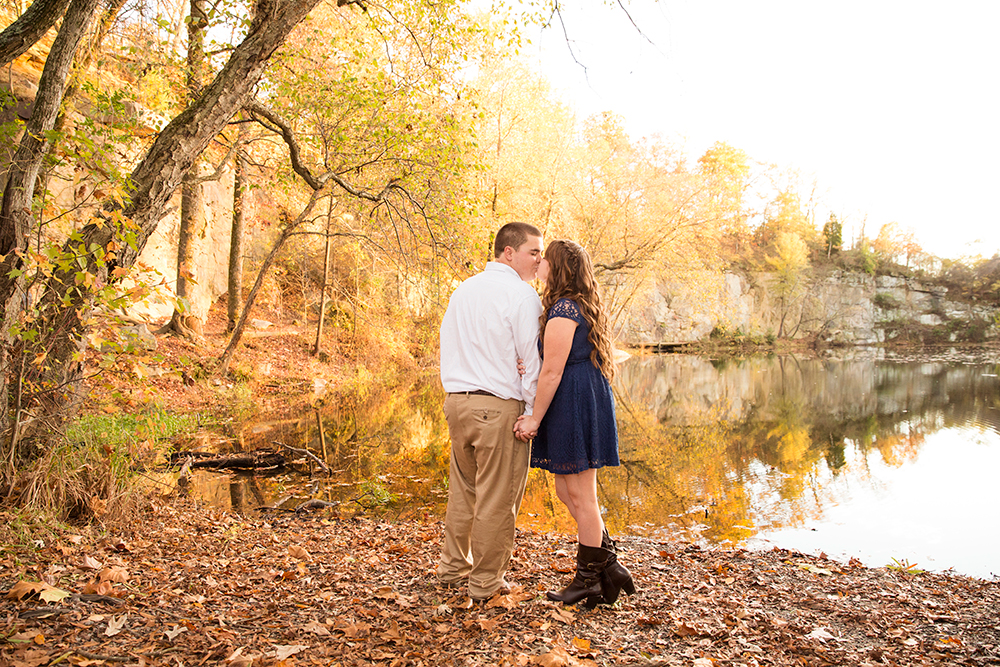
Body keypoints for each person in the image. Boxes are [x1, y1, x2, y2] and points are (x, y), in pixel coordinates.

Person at [514, 239, 635, 608]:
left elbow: (552, 370)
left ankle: (588, 580)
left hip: (574, 400)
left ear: (558, 267)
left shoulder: (565, 307)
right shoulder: (569, 304)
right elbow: (550, 359)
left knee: (583, 497)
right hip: (577, 395)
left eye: (545, 258)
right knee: (569, 494)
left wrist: (534, 416)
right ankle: (608, 565)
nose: (540, 263)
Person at [436, 222, 544, 601]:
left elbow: (447, 347)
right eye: (533, 252)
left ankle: (453, 568)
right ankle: (485, 582)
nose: (539, 260)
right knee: (497, 498)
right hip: (498, 408)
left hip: (457, 403)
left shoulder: (463, 290)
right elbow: (533, 363)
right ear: (508, 252)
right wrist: (532, 412)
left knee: (464, 492)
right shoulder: (522, 296)